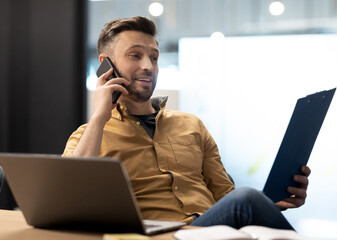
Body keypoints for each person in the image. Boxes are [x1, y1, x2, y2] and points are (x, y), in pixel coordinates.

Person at [63, 16, 311, 230]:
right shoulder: (90, 134)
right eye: (135, 55)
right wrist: (99, 116)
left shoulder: (191, 125)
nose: (148, 66)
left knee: (249, 199)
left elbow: (227, 196)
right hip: (158, 234)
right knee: (248, 197)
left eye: (154, 57)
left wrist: (270, 205)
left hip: (213, 230)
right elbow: (69, 195)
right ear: (106, 65)